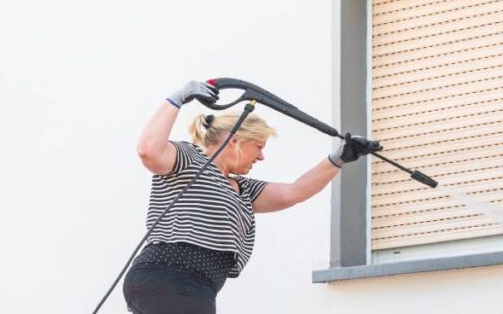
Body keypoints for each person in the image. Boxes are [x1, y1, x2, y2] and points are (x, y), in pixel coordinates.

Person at [123, 81, 374, 314]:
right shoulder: (189, 159)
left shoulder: (243, 189)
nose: (261, 157)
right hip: (171, 277)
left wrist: (340, 158)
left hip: (196, 286)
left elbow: (293, 192)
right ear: (235, 141)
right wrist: (178, 98)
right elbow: (148, 151)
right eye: (259, 147)